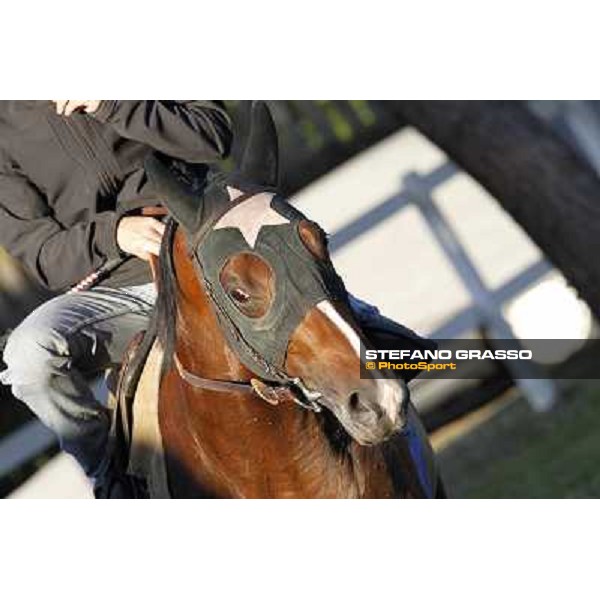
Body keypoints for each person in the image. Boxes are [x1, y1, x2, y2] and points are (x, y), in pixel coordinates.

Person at [0, 100, 233, 497]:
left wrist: (114, 104)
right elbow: (41, 254)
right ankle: (112, 478)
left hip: (210, 244)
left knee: (356, 336)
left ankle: (380, 363)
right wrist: (114, 233)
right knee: (27, 358)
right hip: (120, 294)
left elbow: (214, 135)